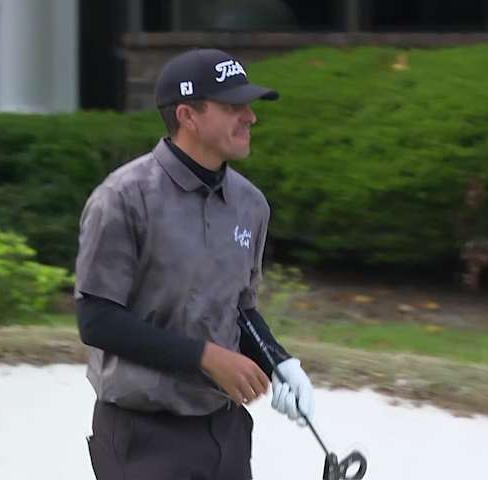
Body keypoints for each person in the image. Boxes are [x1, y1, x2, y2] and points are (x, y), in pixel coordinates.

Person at [74, 48, 315, 480]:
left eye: (249, 107)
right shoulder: (122, 197)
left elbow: (240, 309)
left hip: (226, 432)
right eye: (233, 107)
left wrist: (280, 363)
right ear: (188, 116)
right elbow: (97, 320)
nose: (250, 117)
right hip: (142, 436)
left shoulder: (250, 205)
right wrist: (206, 357)